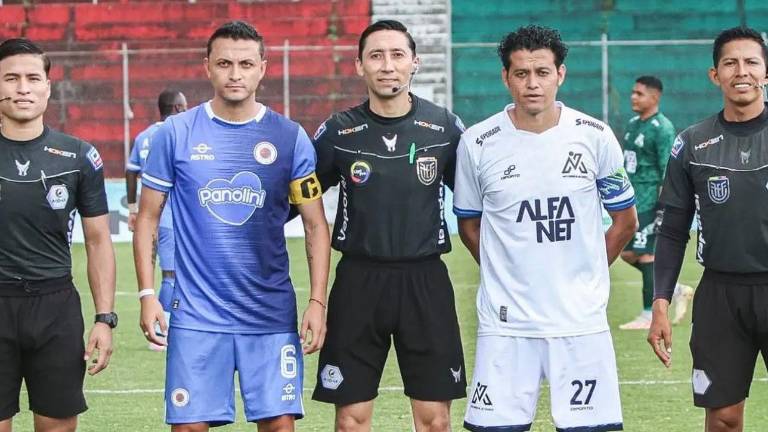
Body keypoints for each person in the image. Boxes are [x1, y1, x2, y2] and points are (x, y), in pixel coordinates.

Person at [133, 21, 330, 431]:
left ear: (263, 68)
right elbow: (147, 217)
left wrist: (317, 302)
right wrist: (148, 294)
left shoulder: (291, 138)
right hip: (196, 315)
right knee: (189, 426)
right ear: (208, 67)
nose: (235, 73)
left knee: (278, 424)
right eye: (224, 63)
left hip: (270, 314)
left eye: (245, 63)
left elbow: (315, 225)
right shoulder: (175, 134)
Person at [453, 25, 637, 432]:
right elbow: (468, 224)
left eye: (542, 72)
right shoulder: (477, 142)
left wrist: (587, 273)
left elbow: (625, 221)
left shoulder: (595, 137)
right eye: (521, 73)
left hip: (579, 322)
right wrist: (507, 274)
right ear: (506, 77)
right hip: (506, 325)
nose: (532, 83)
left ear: (561, 74)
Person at [310, 19, 467, 432]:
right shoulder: (336, 132)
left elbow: (478, 203)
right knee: (350, 420)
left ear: (414, 62)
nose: (387, 65)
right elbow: (299, 203)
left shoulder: (446, 128)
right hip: (359, 282)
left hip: (425, 281)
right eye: (375, 55)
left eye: (397, 55)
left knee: (435, 420)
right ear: (358, 65)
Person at [648, 26, 768, 432]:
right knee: (723, 418)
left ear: (766, 73)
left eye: (752, 62)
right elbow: (671, 229)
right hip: (720, 295)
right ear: (714, 75)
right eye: (730, 63)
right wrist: (660, 301)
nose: (742, 71)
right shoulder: (692, 143)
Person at [0, 38, 116, 432]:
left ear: (48, 87)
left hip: (55, 310)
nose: (22, 87)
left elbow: (99, 240)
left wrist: (104, 319)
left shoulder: (79, 156)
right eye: (10, 78)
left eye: (33, 78)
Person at [618, 75, 694, 330]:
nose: (633, 97)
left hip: (651, 201)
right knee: (627, 253)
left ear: (655, 97)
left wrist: (663, 206)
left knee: (647, 254)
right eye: (633, 92)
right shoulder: (632, 124)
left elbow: (667, 170)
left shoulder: (663, 128)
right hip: (632, 199)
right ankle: (676, 290)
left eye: (639, 93)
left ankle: (649, 313)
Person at [125, 89, 187, 350]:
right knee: (172, 275)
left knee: (170, 273)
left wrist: (132, 208)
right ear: (176, 108)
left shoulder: (143, 136)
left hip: (153, 215)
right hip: (172, 214)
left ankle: (172, 326)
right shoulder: (180, 134)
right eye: (184, 107)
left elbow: (131, 172)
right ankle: (162, 333)